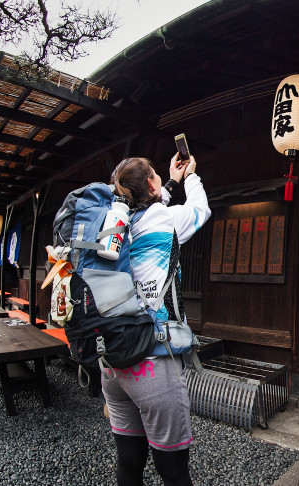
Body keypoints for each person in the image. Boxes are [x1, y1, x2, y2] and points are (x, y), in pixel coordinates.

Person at [102, 152, 211, 486]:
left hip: (112, 362)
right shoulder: (165, 219)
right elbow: (200, 209)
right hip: (153, 363)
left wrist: (170, 180)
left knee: (128, 463)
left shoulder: (114, 226)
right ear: (151, 184)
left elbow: (151, 201)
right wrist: (190, 175)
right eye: (155, 178)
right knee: (174, 472)